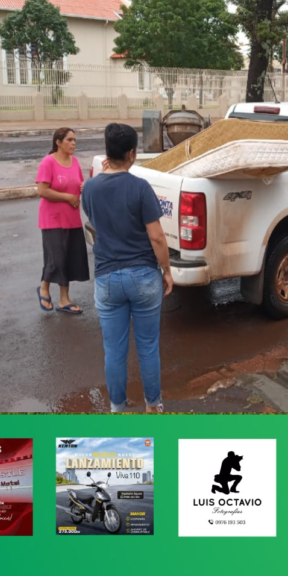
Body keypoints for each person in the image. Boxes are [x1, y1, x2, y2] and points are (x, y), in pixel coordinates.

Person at [81, 123, 173, 413]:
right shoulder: (140, 188)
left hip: (107, 278)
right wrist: (167, 271)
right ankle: (153, 406)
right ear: (132, 153)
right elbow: (157, 236)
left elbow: (96, 221)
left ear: (107, 152)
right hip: (144, 276)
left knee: (114, 351)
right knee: (147, 347)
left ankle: (117, 409)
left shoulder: (90, 188)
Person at [36, 127, 89, 314]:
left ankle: (64, 299)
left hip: (72, 218)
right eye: (69, 140)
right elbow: (42, 190)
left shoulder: (74, 162)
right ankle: (44, 288)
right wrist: (67, 197)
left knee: (68, 258)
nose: (73, 143)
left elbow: (78, 185)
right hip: (52, 218)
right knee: (55, 257)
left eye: (75, 140)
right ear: (58, 142)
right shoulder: (48, 162)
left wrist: (84, 186)